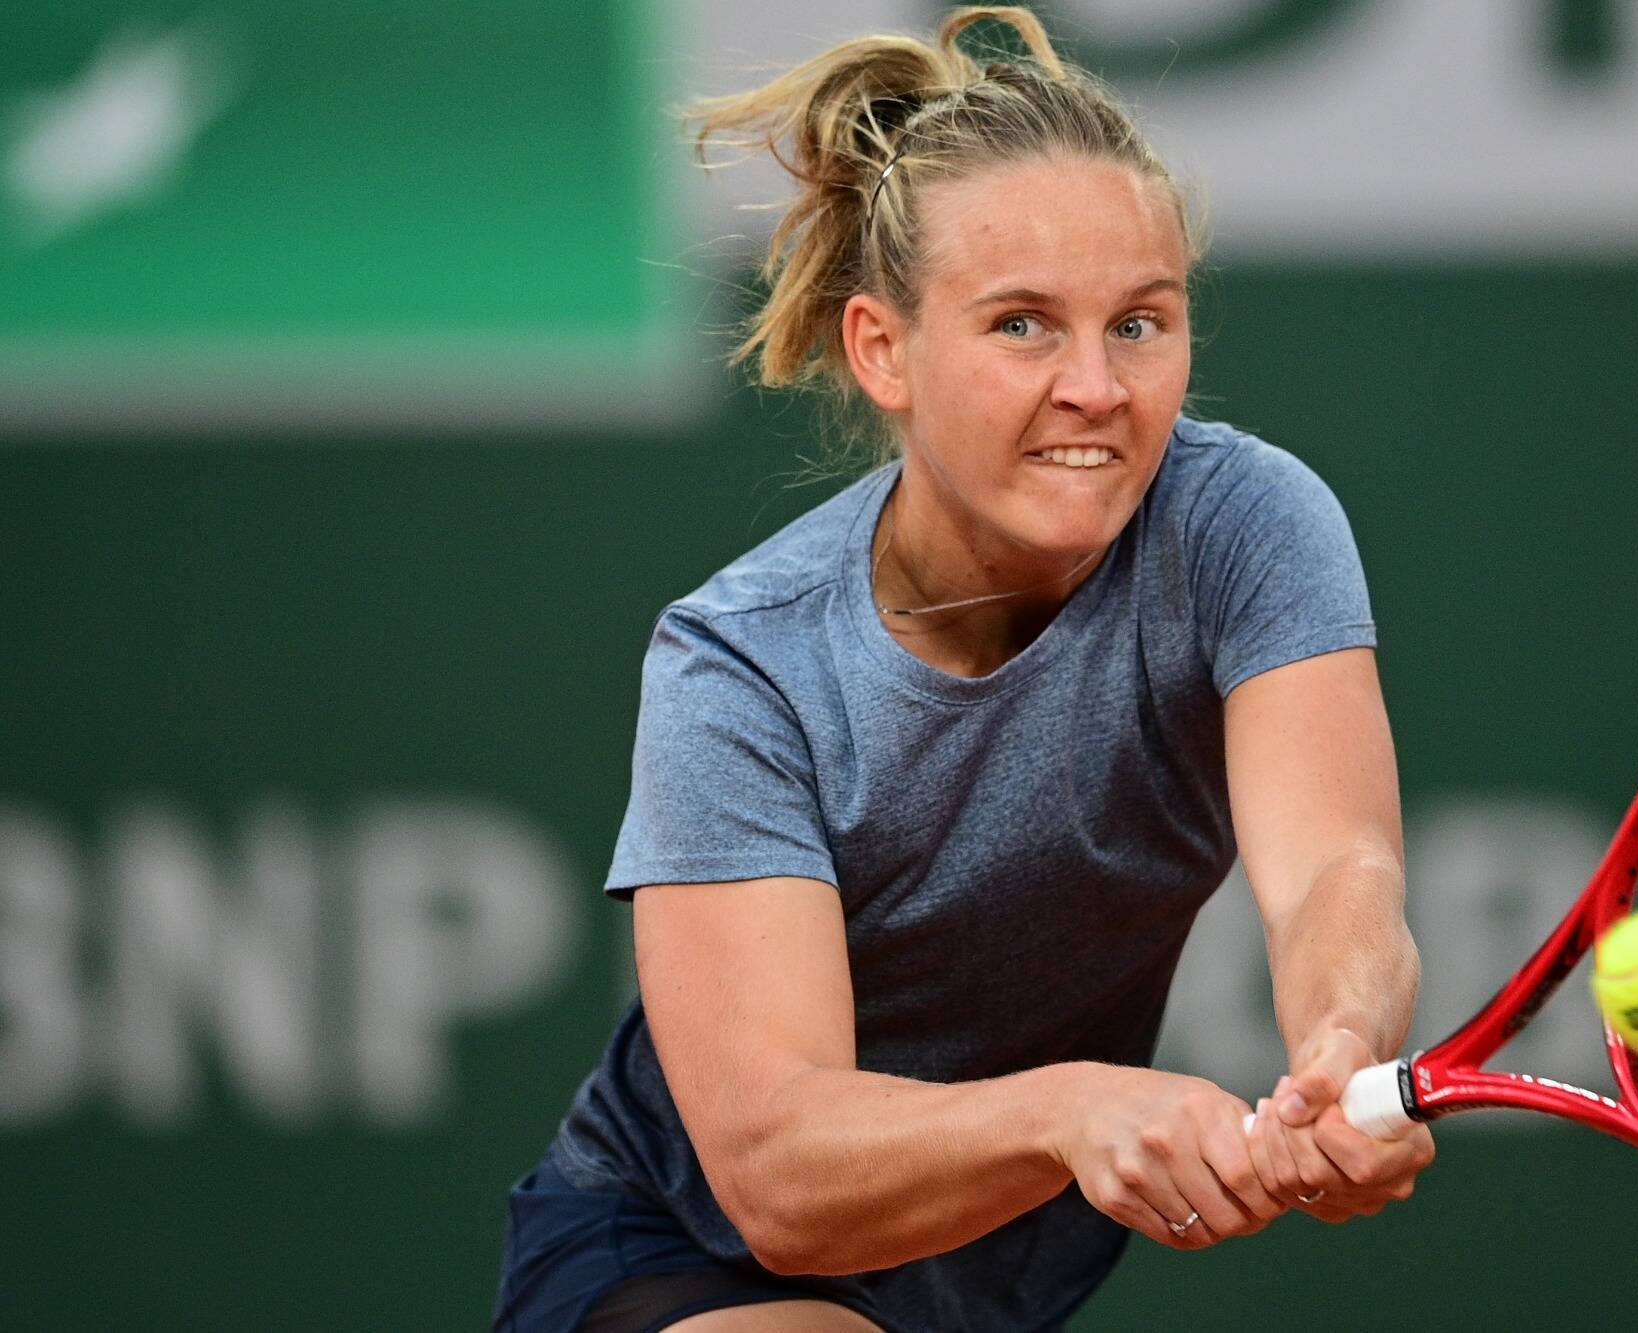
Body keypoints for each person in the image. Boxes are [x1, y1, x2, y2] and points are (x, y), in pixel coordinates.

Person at [492, 7, 1434, 1330]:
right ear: (882, 348)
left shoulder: (1247, 525)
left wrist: (1342, 1043)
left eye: (1142, 324)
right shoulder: (741, 667)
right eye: (1022, 326)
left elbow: (1339, 866)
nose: (1096, 388)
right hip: (682, 1251)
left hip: (983, 1280)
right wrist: (1069, 1108)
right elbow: (774, 1170)